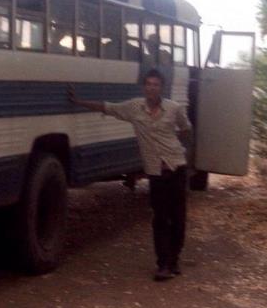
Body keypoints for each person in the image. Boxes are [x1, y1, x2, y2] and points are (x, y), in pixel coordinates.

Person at [68, 69, 192, 281]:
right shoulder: (135, 107)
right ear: (144, 87)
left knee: (178, 218)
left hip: (176, 168)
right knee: (160, 218)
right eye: (148, 84)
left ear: (161, 88)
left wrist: (175, 146)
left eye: (156, 84)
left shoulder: (174, 108)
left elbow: (186, 128)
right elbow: (109, 107)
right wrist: (79, 101)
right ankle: (163, 264)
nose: (152, 88)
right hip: (156, 172)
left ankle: (174, 258)